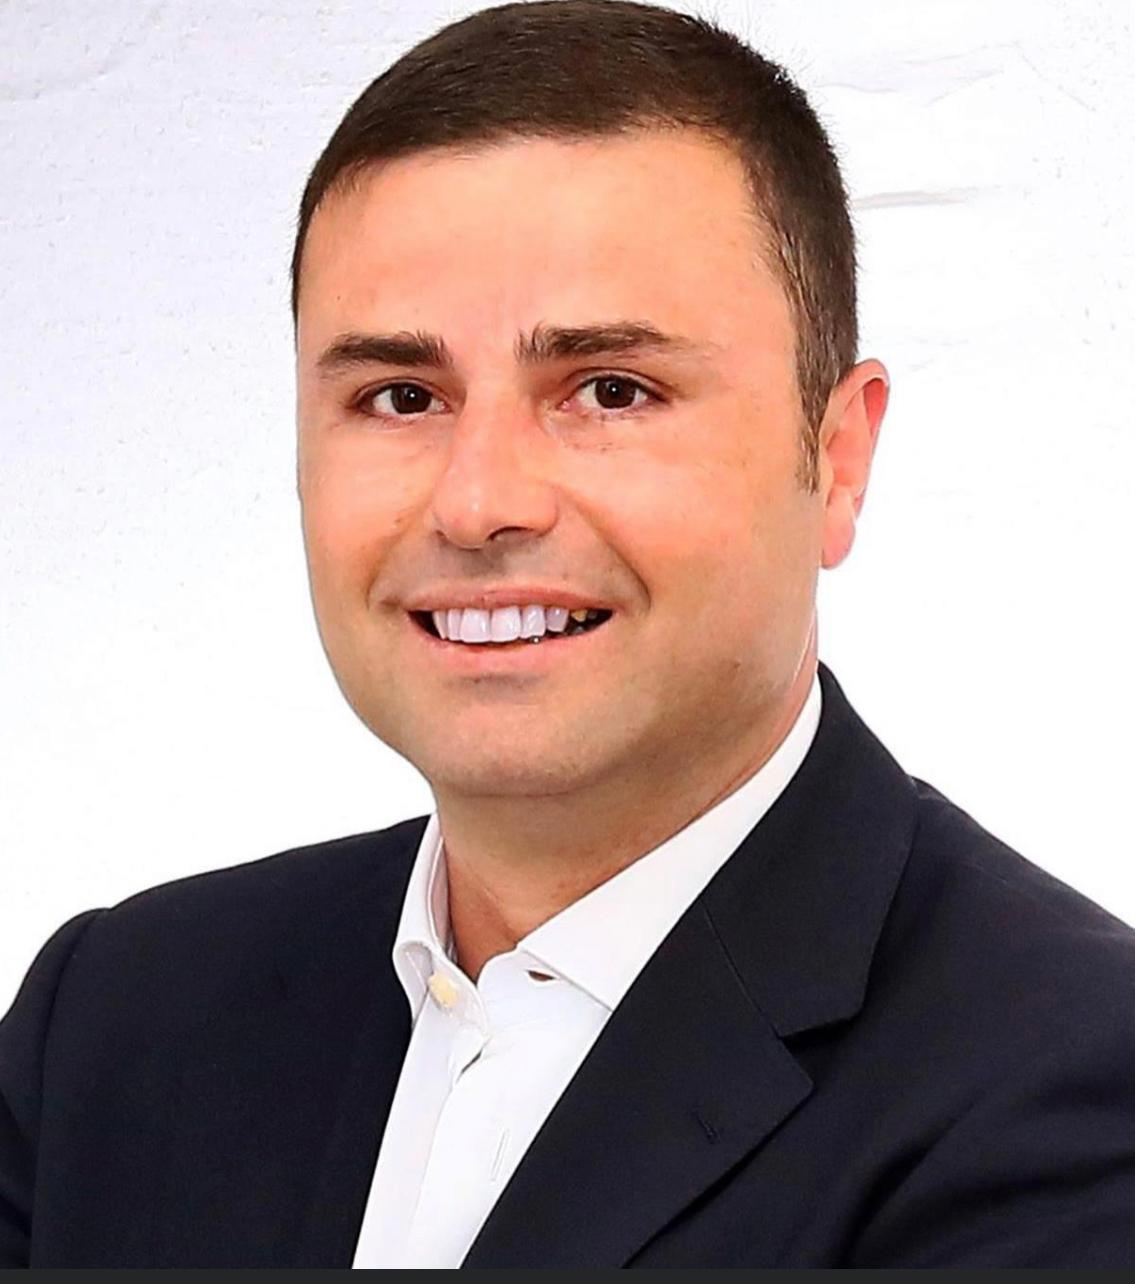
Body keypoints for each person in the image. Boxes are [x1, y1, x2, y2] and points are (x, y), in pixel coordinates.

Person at [2, 0, 1133, 1268]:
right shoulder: (110, 1022)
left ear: (837, 456)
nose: (479, 501)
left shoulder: (1072, 1092)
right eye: (400, 396)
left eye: (609, 389)